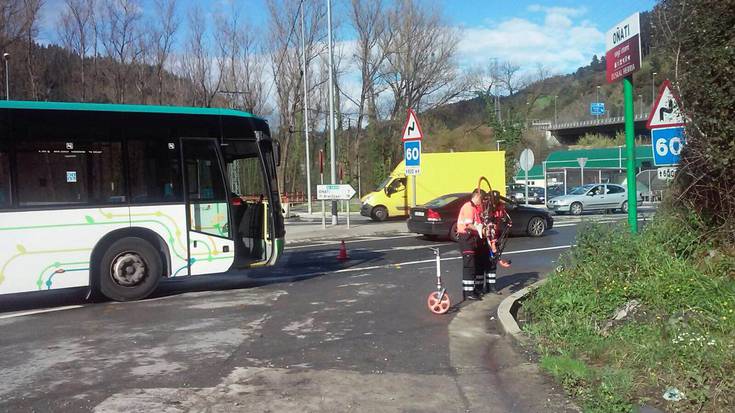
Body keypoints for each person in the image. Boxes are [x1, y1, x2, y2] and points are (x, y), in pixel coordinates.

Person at [456, 188, 488, 300]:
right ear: (478, 197)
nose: (482, 202)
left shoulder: (474, 208)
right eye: (482, 199)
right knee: (469, 265)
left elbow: (478, 223)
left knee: (473, 264)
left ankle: (470, 290)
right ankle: (468, 293)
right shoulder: (469, 207)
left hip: (471, 238)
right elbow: (469, 224)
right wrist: (481, 231)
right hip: (466, 237)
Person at [483, 190, 511, 294]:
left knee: (493, 261)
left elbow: (504, 219)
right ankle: (481, 287)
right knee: (484, 262)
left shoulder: (500, 207)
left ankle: (492, 286)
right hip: (485, 237)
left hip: (495, 236)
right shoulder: (485, 206)